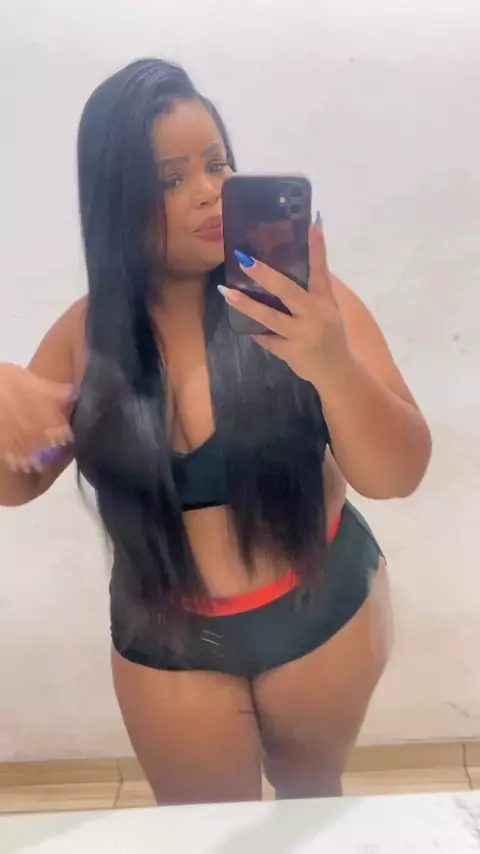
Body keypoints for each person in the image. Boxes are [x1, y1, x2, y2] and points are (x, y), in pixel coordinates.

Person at [0, 58, 431, 805]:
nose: (207, 191)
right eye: (170, 180)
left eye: (216, 164)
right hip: (167, 641)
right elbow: (19, 480)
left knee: (309, 807)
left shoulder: (306, 302)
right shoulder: (86, 335)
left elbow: (398, 475)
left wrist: (332, 365)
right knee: (201, 834)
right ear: (116, 200)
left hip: (321, 612)